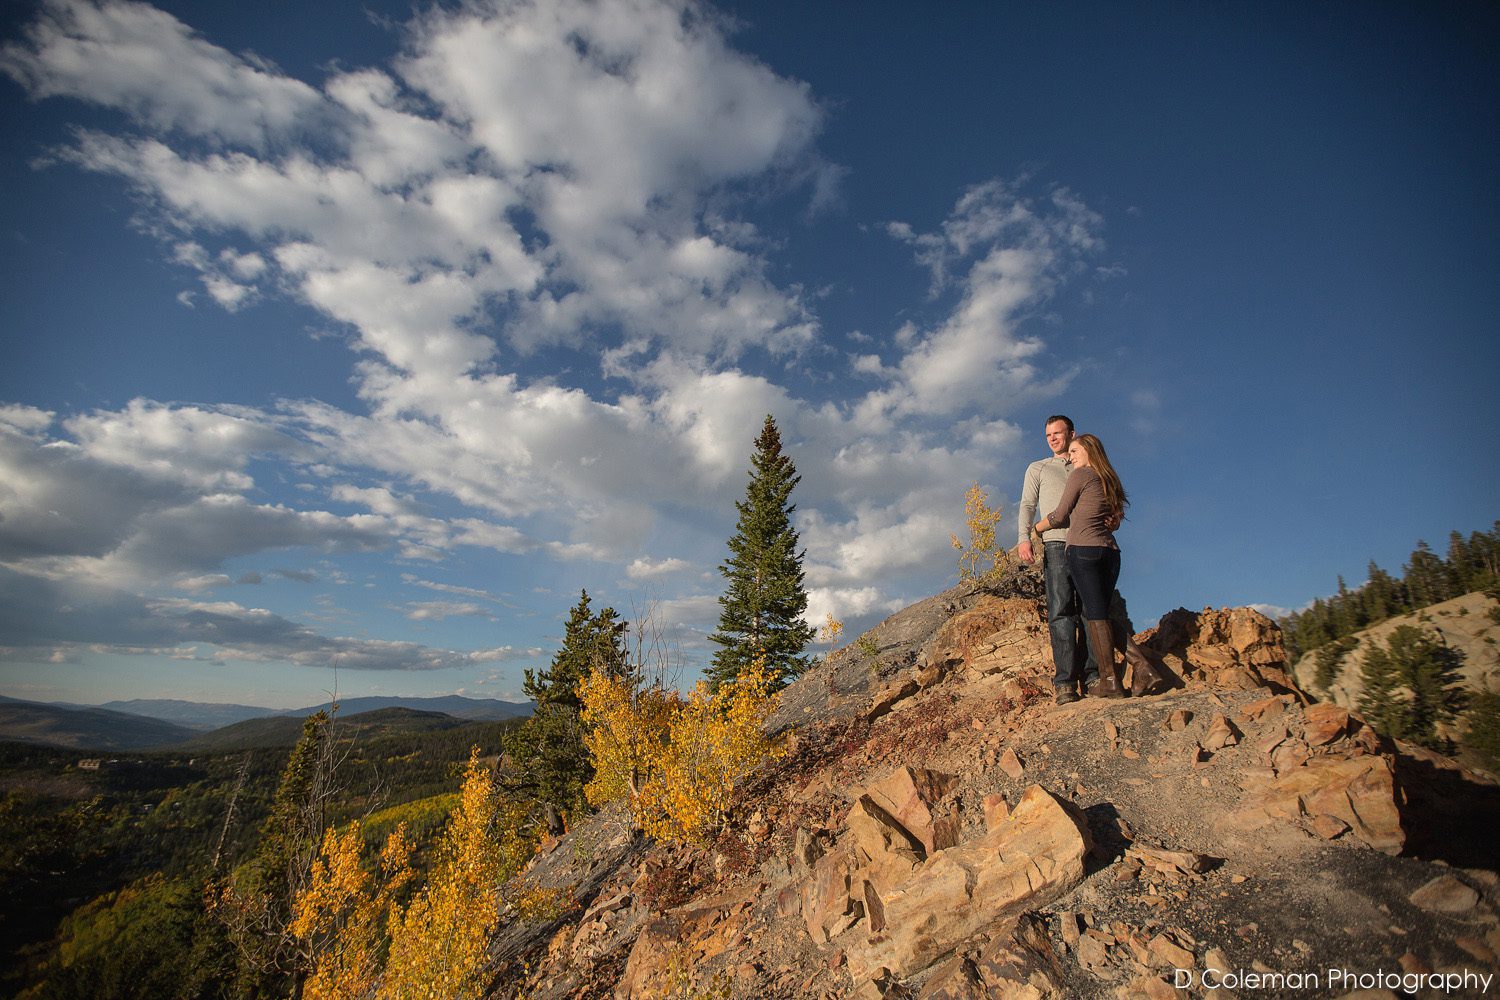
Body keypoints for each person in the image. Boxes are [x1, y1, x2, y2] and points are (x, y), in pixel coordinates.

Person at [1034, 433, 1166, 698]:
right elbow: (1114, 521)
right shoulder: (1109, 480)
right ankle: (1133, 672)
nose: (1070, 457)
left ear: (1089, 451)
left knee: (1095, 616)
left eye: (1074, 451)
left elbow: (1060, 515)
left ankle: (1115, 678)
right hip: (1110, 553)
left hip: (1083, 550)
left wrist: (1035, 530)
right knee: (1099, 614)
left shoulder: (1080, 475)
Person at [1017, 415, 1095, 704]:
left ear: (1071, 433)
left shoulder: (1085, 466)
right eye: (1048, 434)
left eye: (1057, 433)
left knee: (1090, 610)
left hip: (1087, 543)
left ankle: (1093, 676)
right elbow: (1028, 504)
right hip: (1055, 544)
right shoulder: (1038, 468)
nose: (1052, 439)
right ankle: (1065, 682)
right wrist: (1024, 537)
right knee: (1060, 610)